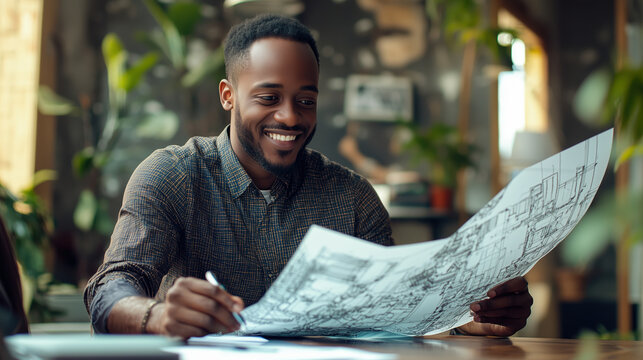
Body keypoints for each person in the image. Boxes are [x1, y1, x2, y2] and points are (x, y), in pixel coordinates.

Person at [84, 14, 532, 339]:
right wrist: (155, 316)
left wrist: (467, 319)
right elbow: (110, 289)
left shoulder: (352, 198)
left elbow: (394, 314)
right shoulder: (173, 176)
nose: (290, 117)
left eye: (306, 100)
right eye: (269, 96)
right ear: (228, 96)